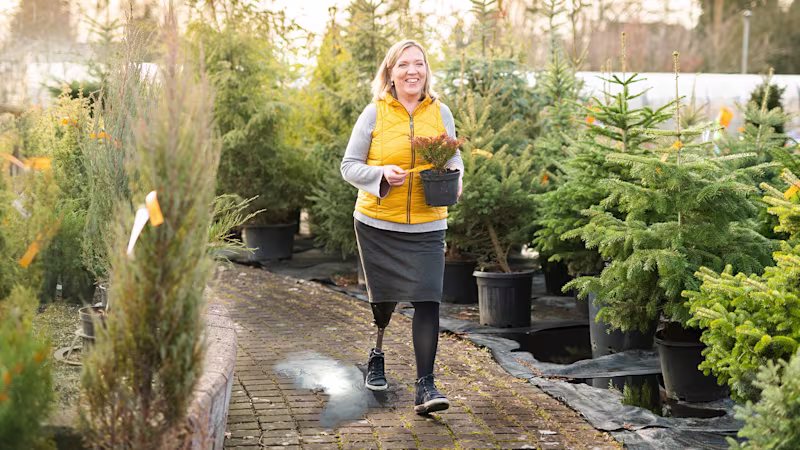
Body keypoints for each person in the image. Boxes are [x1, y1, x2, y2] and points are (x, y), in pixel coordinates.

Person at [340, 39, 464, 415]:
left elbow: (453, 153)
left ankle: (425, 386)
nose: (412, 71)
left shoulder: (440, 111)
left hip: (428, 224)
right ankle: (377, 353)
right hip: (378, 223)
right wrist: (379, 174)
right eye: (403, 65)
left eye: (419, 64)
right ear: (390, 73)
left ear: (426, 71)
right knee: (385, 300)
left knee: (428, 299)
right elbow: (349, 166)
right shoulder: (374, 113)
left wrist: (455, 177)